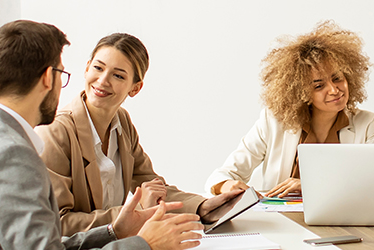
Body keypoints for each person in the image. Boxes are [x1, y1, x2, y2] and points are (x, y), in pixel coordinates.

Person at [0, 20, 204, 250]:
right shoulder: (10, 155)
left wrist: (114, 231)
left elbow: (45, 243)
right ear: (48, 79)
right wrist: (143, 244)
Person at [36, 33, 244, 236]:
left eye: (118, 75)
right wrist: (133, 213)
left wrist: (201, 206)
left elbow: (150, 184)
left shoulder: (122, 122)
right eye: (98, 68)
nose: (102, 80)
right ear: (87, 68)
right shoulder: (56, 131)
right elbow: (58, 222)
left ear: (135, 88)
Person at [205, 21, 374, 198]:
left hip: (341, 219)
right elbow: (220, 176)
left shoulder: (368, 124)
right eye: (319, 86)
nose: (334, 90)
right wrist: (227, 185)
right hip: (281, 220)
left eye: (337, 78)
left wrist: (310, 185)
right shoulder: (273, 122)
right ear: (301, 92)